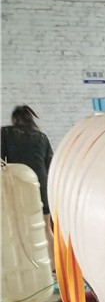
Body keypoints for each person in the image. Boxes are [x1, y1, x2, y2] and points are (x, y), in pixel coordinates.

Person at [1, 105, 55, 269]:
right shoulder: (42, 137)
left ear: (15, 119)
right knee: (46, 228)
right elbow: (50, 165)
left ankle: (26, 267)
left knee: (17, 228)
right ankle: (55, 267)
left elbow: (1, 162)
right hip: (41, 186)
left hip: (17, 185)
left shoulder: (5, 133)